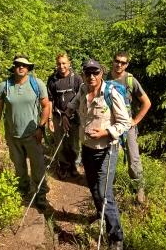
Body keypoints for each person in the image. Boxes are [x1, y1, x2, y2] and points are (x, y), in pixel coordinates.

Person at [63, 59, 131, 250]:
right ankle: (102, 215)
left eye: (95, 72)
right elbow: (73, 105)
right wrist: (66, 115)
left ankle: (116, 237)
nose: (91, 76)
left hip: (107, 150)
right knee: (93, 189)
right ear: (83, 74)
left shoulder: (111, 93)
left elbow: (125, 122)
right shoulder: (83, 90)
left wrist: (106, 132)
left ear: (102, 73)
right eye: (88, 73)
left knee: (104, 193)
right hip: (87, 149)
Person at [0, 54, 50, 210]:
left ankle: (40, 195)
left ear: (28, 68)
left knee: (38, 167)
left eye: (24, 65)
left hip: (33, 135)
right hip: (12, 136)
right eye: (18, 64)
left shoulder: (37, 84)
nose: (21, 67)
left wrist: (41, 127)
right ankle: (23, 191)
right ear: (13, 67)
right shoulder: (3, 86)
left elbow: (46, 106)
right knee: (19, 167)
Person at [108, 51, 151, 204]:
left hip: (127, 126)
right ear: (113, 61)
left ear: (127, 65)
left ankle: (139, 188)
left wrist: (135, 120)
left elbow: (146, 102)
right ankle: (107, 188)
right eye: (117, 61)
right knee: (108, 157)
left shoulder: (130, 80)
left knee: (133, 158)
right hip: (109, 125)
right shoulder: (105, 78)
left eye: (123, 62)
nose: (119, 64)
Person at [47, 53, 83, 179]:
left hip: (74, 116)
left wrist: (72, 114)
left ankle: (75, 165)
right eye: (59, 64)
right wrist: (50, 119)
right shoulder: (52, 80)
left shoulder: (77, 79)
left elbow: (82, 98)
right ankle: (63, 165)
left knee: (74, 144)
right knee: (60, 143)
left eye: (64, 63)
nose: (61, 66)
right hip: (58, 115)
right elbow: (50, 100)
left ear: (69, 63)